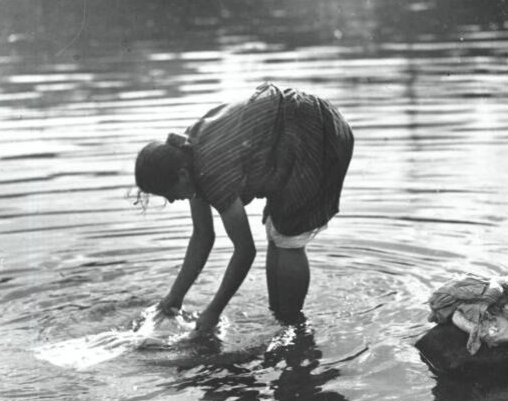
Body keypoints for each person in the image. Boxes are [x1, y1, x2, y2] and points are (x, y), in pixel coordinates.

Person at [134, 83, 354, 337]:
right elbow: (202, 236)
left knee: (289, 238)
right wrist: (174, 297)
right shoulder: (185, 153)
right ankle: (281, 318)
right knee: (278, 233)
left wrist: (214, 310)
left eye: (169, 194)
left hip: (315, 132)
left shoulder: (210, 170)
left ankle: (293, 326)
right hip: (290, 130)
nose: (172, 201)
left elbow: (245, 251)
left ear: (182, 175)